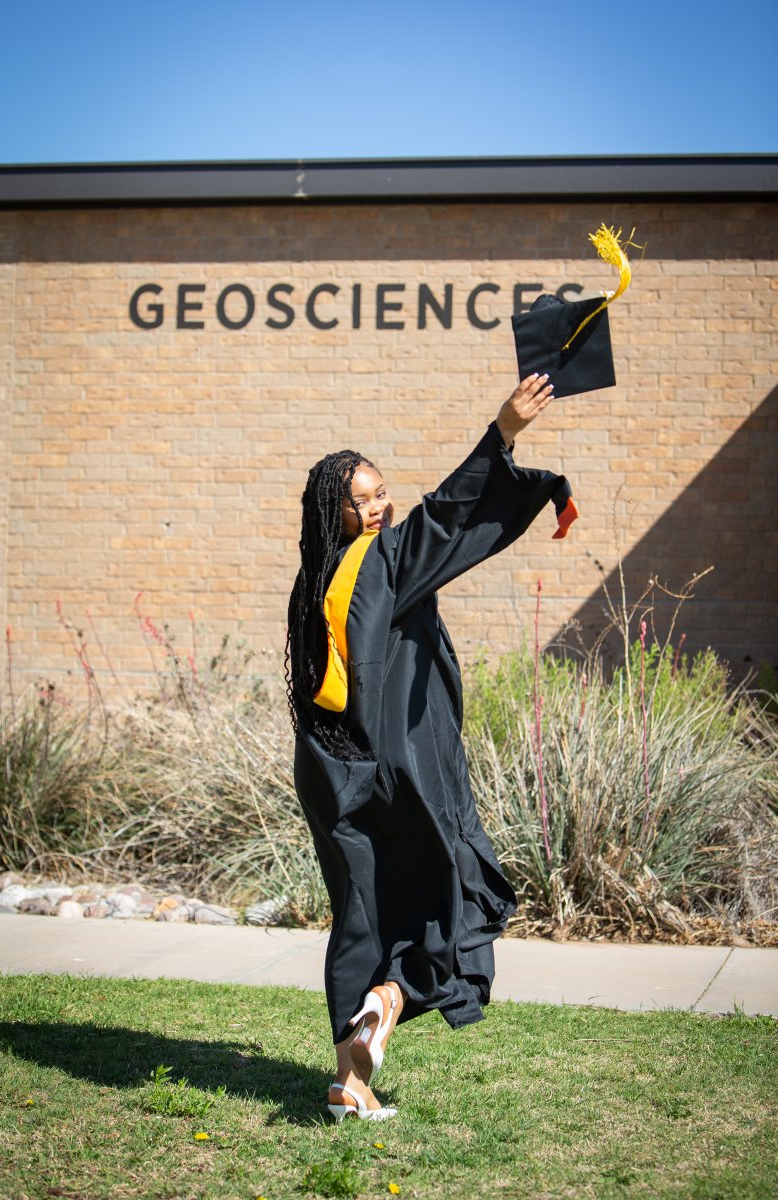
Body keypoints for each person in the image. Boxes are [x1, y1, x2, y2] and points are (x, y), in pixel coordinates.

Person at [285, 373, 576, 1122]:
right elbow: (444, 518)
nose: (380, 507)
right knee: (458, 895)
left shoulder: (315, 580)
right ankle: (389, 1000)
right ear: (338, 512)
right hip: (391, 768)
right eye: (363, 499)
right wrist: (503, 433)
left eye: (382, 492)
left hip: (329, 770)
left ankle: (351, 1083)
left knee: (360, 917)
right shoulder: (379, 565)